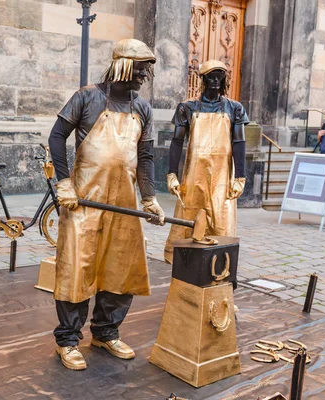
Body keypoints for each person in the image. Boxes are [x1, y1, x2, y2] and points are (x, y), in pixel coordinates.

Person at [48, 38, 165, 371]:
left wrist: (150, 197)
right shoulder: (87, 97)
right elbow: (57, 136)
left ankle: (105, 332)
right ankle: (68, 340)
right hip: (84, 200)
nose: (144, 76)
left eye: (146, 70)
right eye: (141, 69)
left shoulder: (142, 108)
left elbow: (145, 156)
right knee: (76, 269)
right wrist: (64, 182)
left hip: (124, 202)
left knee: (120, 268)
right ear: (124, 65)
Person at [164, 60, 249, 264]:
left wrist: (240, 177)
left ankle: (221, 264)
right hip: (194, 176)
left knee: (221, 221)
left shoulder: (234, 108)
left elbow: (239, 143)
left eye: (219, 76)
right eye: (210, 76)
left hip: (222, 178)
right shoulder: (187, 108)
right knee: (189, 220)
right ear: (202, 79)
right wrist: (171, 174)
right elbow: (176, 142)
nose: (215, 81)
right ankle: (186, 265)